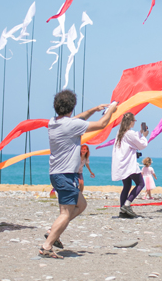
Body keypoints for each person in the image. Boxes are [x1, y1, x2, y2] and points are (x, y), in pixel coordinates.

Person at [40, 90, 116, 258]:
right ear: (72, 107)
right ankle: (47, 246)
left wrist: (93, 109)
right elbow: (102, 124)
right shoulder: (71, 125)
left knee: (81, 205)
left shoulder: (54, 122)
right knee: (66, 213)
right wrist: (112, 109)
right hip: (64, 174)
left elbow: (77, 119)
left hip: (60, 173)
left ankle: (53, 231)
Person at [112, 116, 149, 217]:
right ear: (131, 121)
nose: (134, 122)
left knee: (127, 186)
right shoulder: (129, 133)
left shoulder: (120, 132)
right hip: (128, 163)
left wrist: (140, 132)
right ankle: (127, 205)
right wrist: (144, 136)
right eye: (134, 121)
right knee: (140, 183)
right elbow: (140, 145)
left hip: (121, 163)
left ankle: (122, 211)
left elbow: (132, 139)